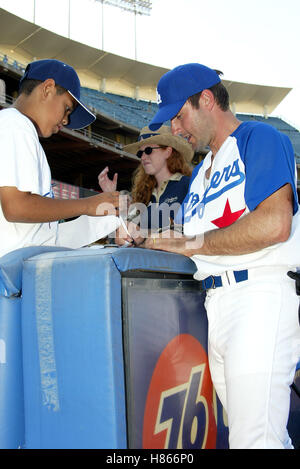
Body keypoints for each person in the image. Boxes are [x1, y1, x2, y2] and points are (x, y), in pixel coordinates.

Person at [143, 63, 300, 449]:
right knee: (264, 436)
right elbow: (184, 236)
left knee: (254, 439)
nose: (176, 129)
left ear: (207, 100)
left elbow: (274, 224)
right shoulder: (200, 173)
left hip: (260, 294)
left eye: (179, 116)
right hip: (218, 302)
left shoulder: (258, 137)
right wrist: (152, 237)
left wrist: (188, 243)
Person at [0, 59, 122, 258]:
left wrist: (108, 218)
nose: (66, 120)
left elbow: (44, 239)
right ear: (47, 88)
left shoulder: (19, 128)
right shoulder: (15, 125)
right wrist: (88, 205)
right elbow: (16, 207)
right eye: (67, 108)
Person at [98, 125, 193, 244]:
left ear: (168, 152)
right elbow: (118, 235)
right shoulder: (142, 194)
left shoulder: (189, 185)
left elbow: (194, 234)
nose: (143, 157)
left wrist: (145, 235)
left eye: (148, 150)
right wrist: (111, 197)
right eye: (140, 153)